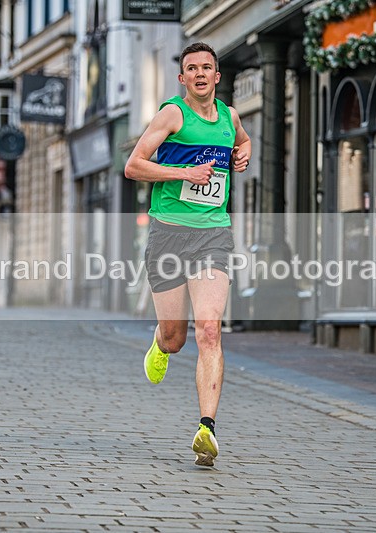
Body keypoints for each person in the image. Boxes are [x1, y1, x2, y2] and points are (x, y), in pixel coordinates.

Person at [125, 42, 251, 466]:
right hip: (168, 235)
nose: (199, 73)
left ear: (218, 76)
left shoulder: (230, 117)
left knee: (210, 331)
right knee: (176, 338)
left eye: (207, 68)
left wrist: (244, 152)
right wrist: (184, 173)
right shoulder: (172, 114)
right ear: (182, 78)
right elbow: (134, 165)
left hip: (213, 235)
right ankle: (160, 343)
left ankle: (206, 430)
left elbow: (243, 140)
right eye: (191, 68)